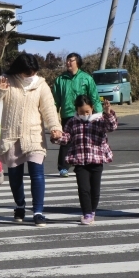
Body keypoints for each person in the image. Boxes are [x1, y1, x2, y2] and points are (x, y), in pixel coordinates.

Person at [0, 53, 63, 227]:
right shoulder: (7, 79)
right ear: (19, 71)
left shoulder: (41, 85)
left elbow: (49, 109)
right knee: (15, 176)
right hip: (11, 136)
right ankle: (20, 205)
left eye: (33, 72)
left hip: (34, 135)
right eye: (27, 73)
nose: (31, 76)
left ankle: (38, 212)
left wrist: (55, 128)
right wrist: (0, 89)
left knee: (37, 173)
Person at [52, 96, 117, 225]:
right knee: (83, 188)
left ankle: (92, 211)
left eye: (87, 111)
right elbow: (67, 138)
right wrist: (56, 137)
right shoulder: (72, 122)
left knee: (95, 189)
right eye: (81, 112)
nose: (85, 114)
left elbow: (111, 126)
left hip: (96, 159)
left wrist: (108, 112)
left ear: (92, 108)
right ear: (76, 110)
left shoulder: (99, 120)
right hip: (80, 161)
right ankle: (87, 213)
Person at [52, 53, 102, 178]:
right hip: (67, 114)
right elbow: (55, 100)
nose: (68, 62)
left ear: (77, 62)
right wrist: (53, 117)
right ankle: (63, 167)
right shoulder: (60, 79)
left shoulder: (86, 78)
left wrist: (100, 114)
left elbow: (94, 97)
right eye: (67, 60)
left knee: (83, 139)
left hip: (84, 115)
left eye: (71, 60)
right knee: (66, 141)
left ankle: (83, 163)